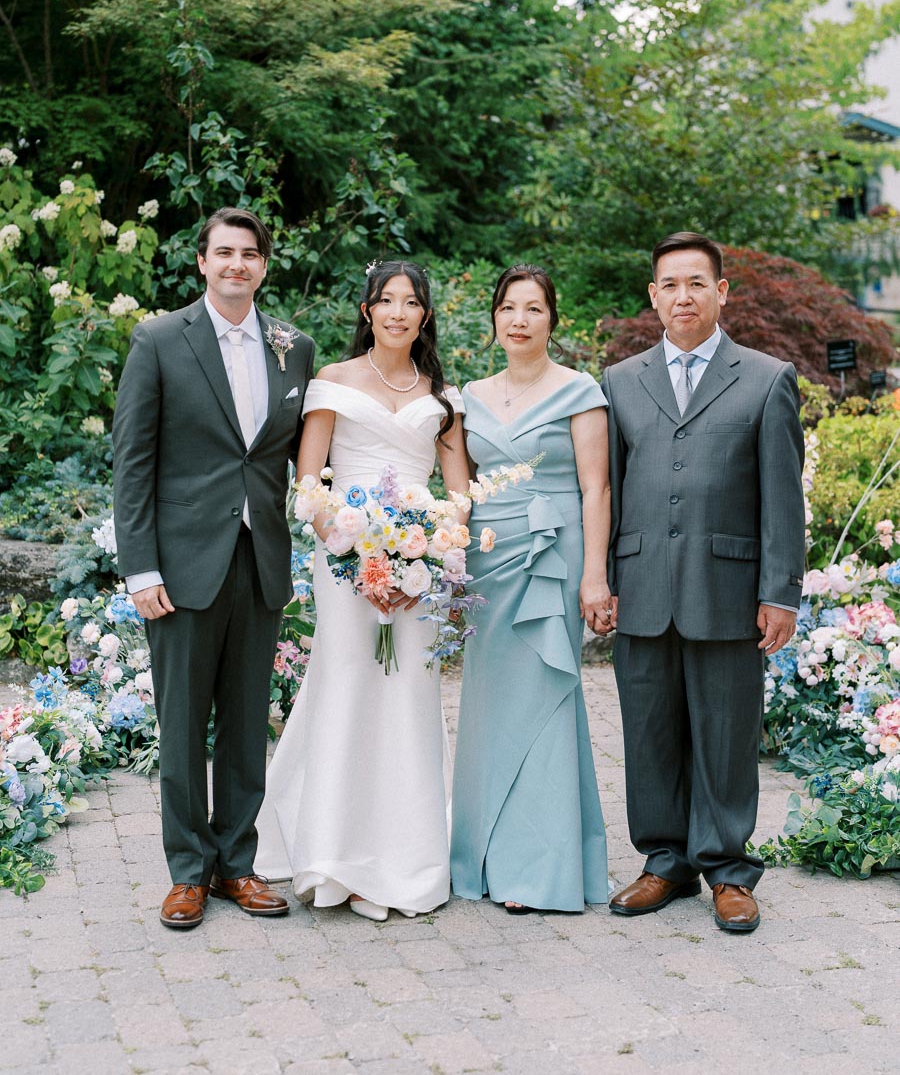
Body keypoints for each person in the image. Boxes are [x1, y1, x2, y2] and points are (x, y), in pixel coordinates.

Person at [112, 207, 315, 929]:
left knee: (244, 724)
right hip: (182, 563)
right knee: (180, 722)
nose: (237, 264)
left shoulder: (295, 349)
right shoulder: (161, 340)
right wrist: (140, 568)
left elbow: (305, 459)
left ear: (264, 265)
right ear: (202, 262)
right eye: (224, 253)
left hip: (259, 561)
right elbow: (132, 463)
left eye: (250, 254)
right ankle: (187, 872)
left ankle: (237, 863)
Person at [599, 231, 805, 934]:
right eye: (669, 285)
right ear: (652, 297)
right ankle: (665, 862)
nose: (682, 296)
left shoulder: (767, 377)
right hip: (643, 584)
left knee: (725, 731)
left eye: (696, 283)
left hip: (728, 587)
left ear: (722, 293)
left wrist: (781, 592)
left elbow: (784, 497)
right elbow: (612, 490)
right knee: (649, 730)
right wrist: (604, 579)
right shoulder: (620, 381)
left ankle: (728, 870)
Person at [254, 260, 470, 921]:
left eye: (411, 303)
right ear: (368, 310)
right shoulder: (332, 382)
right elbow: (310, 482)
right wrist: (350, 547)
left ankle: (407, 859)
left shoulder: (442, 396)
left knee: (408, 694)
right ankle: (328, 855)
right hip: (342, 560)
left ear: (425, 315)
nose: (399, 313)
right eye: (387, 301)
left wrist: (430, 550)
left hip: (416, 570)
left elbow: (458, 493)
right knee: (345, 686)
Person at [450, 264, 612, 914]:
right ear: (494, 318)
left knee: (547, 697)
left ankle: (539, 869)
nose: (519, 319)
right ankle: (483, 855)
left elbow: (596, 487)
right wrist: (443, 562)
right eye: (509, 308)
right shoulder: (467, 395)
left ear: (552, 319)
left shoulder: (580, 390)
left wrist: (595, 575)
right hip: (488, 554)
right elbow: (459, 490)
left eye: (534, 309)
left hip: (554, 552)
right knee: (489, 704)